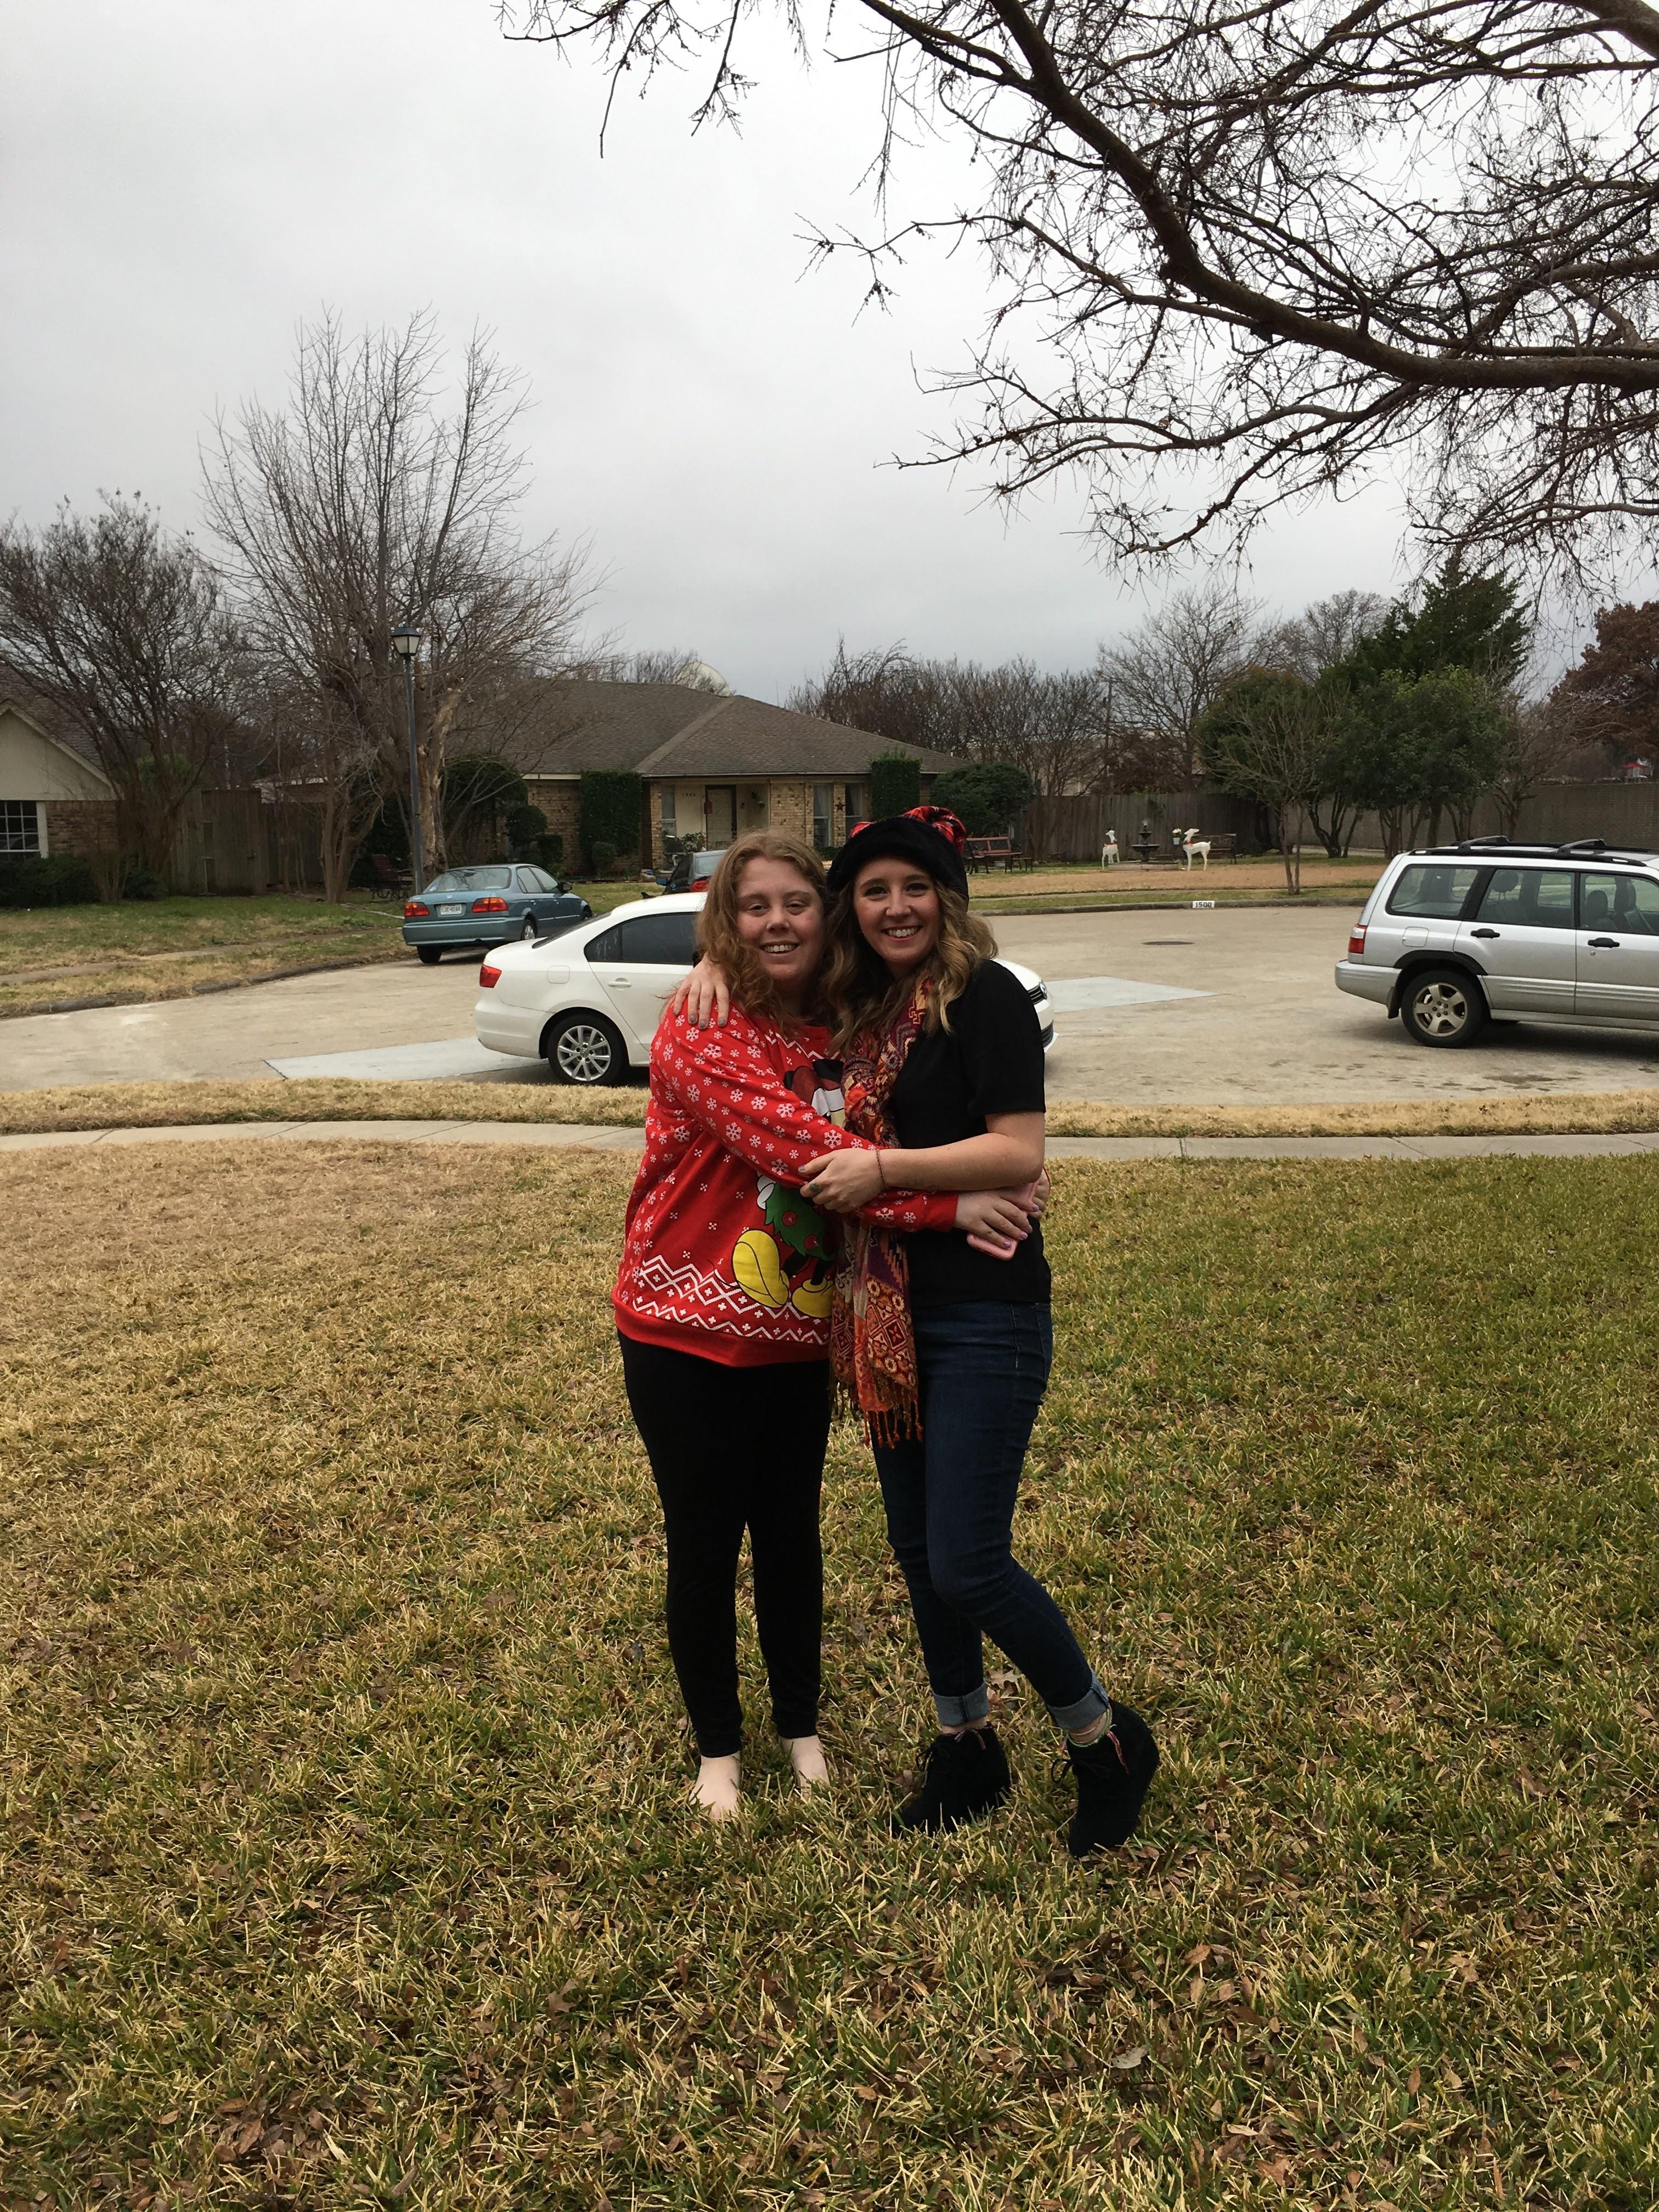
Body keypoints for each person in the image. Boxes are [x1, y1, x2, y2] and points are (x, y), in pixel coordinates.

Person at [682, 808, 1158, 1855]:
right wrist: (707, 963)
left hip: (985, 1315)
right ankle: (966, 1746)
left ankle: (1103, 1738)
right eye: (874, 889)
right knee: (914, 1548)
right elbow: (762, 957)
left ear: (947, 897)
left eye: (915, 886)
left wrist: (890, 1171)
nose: (895, 906)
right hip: (883, 1313)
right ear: (852, 907)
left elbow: (1017, 1152)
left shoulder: (979, 997)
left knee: (969, 1562)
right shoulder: (858, 1012)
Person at [615, 829, 1041, 1821]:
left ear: (828, 912)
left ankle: (800, 1730)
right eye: (751, 908)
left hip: (800, 1334)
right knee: (705, 1543)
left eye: (796, 903)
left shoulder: (847, 1023)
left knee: (793, 1541)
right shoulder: (702, 1028)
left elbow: (906, 1128)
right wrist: (950, 1206)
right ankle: (719, 1753)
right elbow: (813, 1153)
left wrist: (986, 1175)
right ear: (725, 921)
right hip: (682, 1331)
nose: (776, 922)